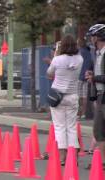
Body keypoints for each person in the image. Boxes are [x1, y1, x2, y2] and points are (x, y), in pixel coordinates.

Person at [47, 35, 83, 165]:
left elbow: (49, 73)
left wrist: (56, 53)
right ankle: (73, 157)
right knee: (71, 127)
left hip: (58, 96)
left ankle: (62, 158)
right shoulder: (80, 59)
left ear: (62, 46)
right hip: (73, 96)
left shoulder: (57, 59)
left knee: (60, 127)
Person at [85, 24, 105, 166]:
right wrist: (91, 74)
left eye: (93, 36)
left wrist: (95, 78)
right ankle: (103, 162)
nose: (91, 39)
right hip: (99, 96)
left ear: (99, 37)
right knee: (98, 131)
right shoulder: (97, 54)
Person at [77, 38, 93, 120]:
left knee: (78, 96)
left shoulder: (79, 52)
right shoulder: (89, 53)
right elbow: (91, 64)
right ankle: (83, 114)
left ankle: (78, 113)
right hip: (87, 77)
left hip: (79, 77)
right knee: (85, 97)